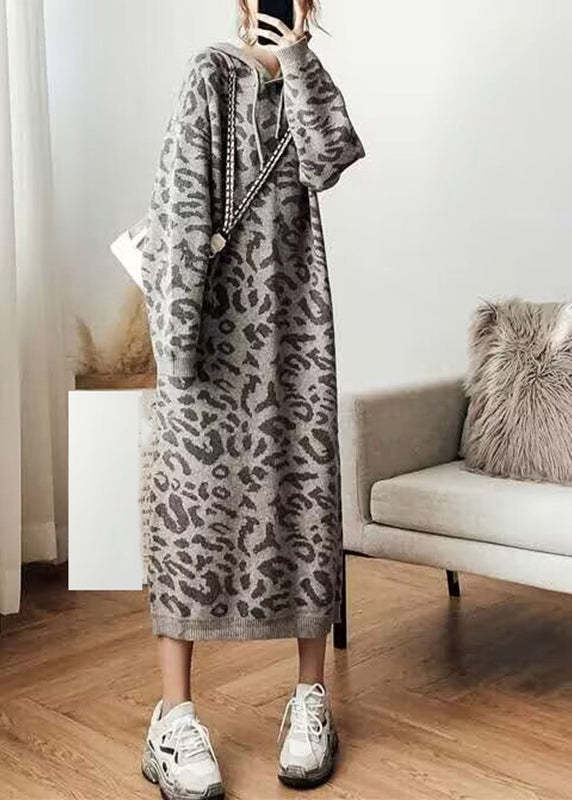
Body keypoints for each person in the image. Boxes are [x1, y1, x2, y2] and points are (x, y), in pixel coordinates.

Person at [139, 0, 365, 797]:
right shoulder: (209, 72)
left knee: (304, 499)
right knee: (192, 510)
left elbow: (329, 159)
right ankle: (173, 717)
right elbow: (181, 204)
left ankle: (310, 697)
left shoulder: (310, 79)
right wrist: (177, 342)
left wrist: (298, 60)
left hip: (295, 325)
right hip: (212, 329)